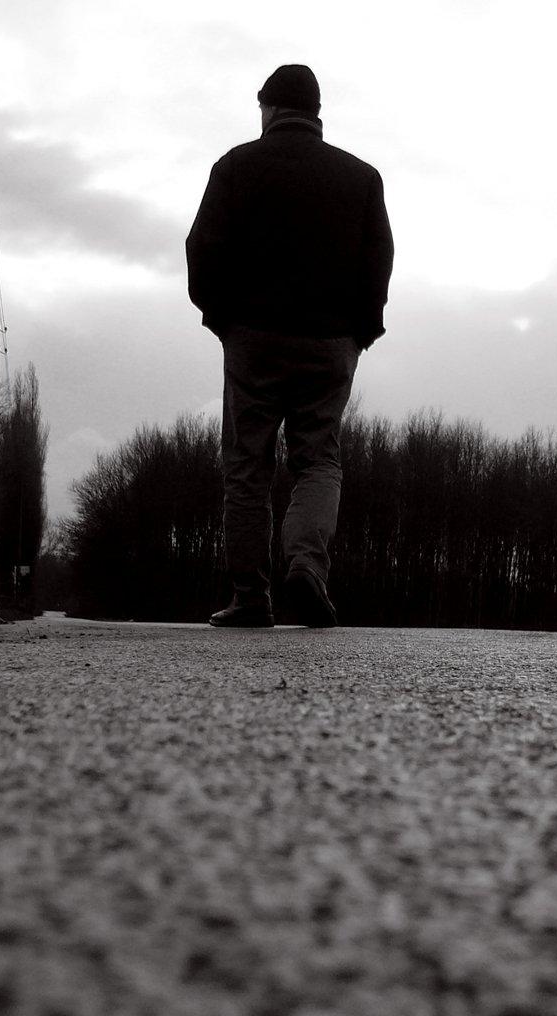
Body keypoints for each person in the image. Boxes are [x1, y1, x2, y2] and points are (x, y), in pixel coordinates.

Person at [186, 64, 394, 628]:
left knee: (246, 465)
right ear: (316, 112)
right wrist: (362, 331)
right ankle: (306, 566)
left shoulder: (235, 166)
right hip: (330, 343)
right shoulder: (362, 177)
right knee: (318, 460)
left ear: (271, 108)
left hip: (253, 339)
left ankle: (251, 596)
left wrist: (220, 319)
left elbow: (201, 248)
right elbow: (379, 259)